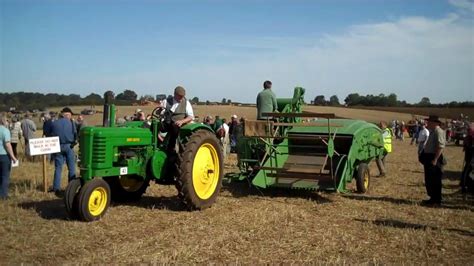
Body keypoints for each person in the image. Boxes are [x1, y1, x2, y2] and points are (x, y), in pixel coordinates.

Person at [157, 86, 194, 152]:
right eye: (180, 96)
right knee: (154, 126)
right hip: (167, 123)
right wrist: (159, 109)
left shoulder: (186, 103)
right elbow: (158, 112)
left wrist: (182, 121)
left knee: (174, 127)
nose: (181, 98)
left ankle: (171, 148)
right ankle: (157, 145)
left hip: (179, 124)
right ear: (175, 94)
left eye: (182, 96)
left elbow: (190, 117)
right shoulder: (166, 101)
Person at [419, 115, 446, 206]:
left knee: (435, 180)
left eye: (429, 122)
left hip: (434, 158)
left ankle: (436, 200)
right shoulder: (432, 131)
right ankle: (432, 198)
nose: (428, 123)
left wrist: (435, 159)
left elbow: (440, 147)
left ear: (435, 123)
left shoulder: (439, 131)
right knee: (429, 179)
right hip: (429, 157)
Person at [50, 107, 77, 194]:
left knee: (58, 168)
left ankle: (56, 188)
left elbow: (51, 134)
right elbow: (75, 134)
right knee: (71, 168)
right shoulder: (71, 123)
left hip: (58, 146)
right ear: (67, 115)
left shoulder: (55, 123)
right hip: (69, 146)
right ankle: (71, 188)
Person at [0, 114, 18, 199]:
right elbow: (7, 145)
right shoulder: (5, 130)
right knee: (5, 176)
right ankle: (3, 195)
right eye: (7, 120)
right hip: (3, 156)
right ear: (4, 121)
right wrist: (13, 157)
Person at [461, 123, 474, 193]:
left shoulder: (468, 138)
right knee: (468, 171)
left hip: (470, 158)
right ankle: (465, 185)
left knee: (467, 171)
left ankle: (465, 185)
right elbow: (465, 147)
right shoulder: (468, 138)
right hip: (470, 157)